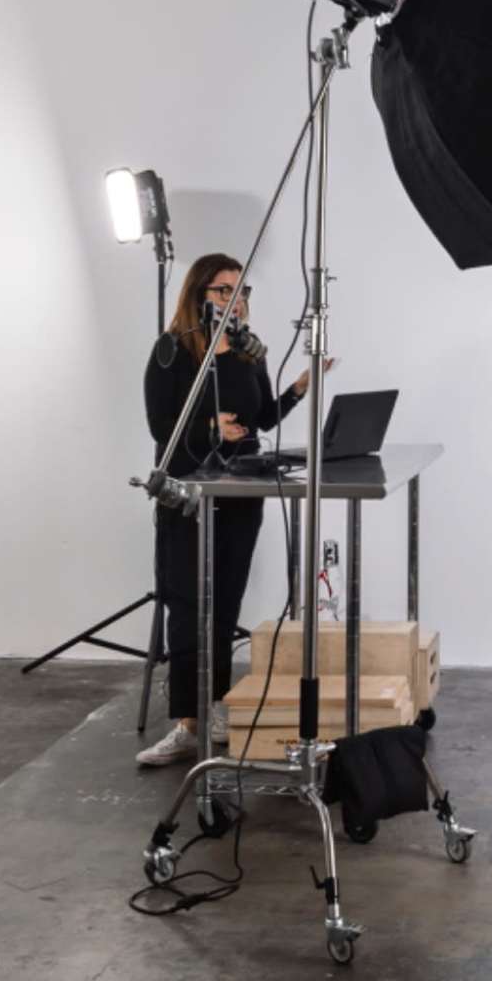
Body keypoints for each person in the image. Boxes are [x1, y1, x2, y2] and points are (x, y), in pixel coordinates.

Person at [135, 253, 320, 771]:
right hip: (187, 495)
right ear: (199, 295)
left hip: (240, 492)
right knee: (186, 604)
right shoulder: (171, 351)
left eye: (242, 291)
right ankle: (185, 725)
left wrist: (298, 389)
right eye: (224, 291)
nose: (236, 301)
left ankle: (214, 706)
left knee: (223, 603)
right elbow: (160, 426)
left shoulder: (246, 353)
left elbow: (262, 418)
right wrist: (211, 426)